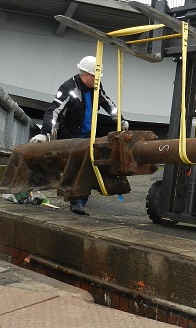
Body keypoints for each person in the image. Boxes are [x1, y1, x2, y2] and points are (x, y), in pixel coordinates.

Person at [29, 55, 129, 215]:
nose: (97, 80)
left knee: (87, 168)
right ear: (85, 75)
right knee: (75, 169)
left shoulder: (96, 87)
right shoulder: (69, 88)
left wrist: (121, 120)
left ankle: (81, 201)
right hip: (71, 138)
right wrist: (44, 133)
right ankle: (76, 202)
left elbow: (107, 103)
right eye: (95, 77)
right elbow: (54, 111)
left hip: (89, 136)